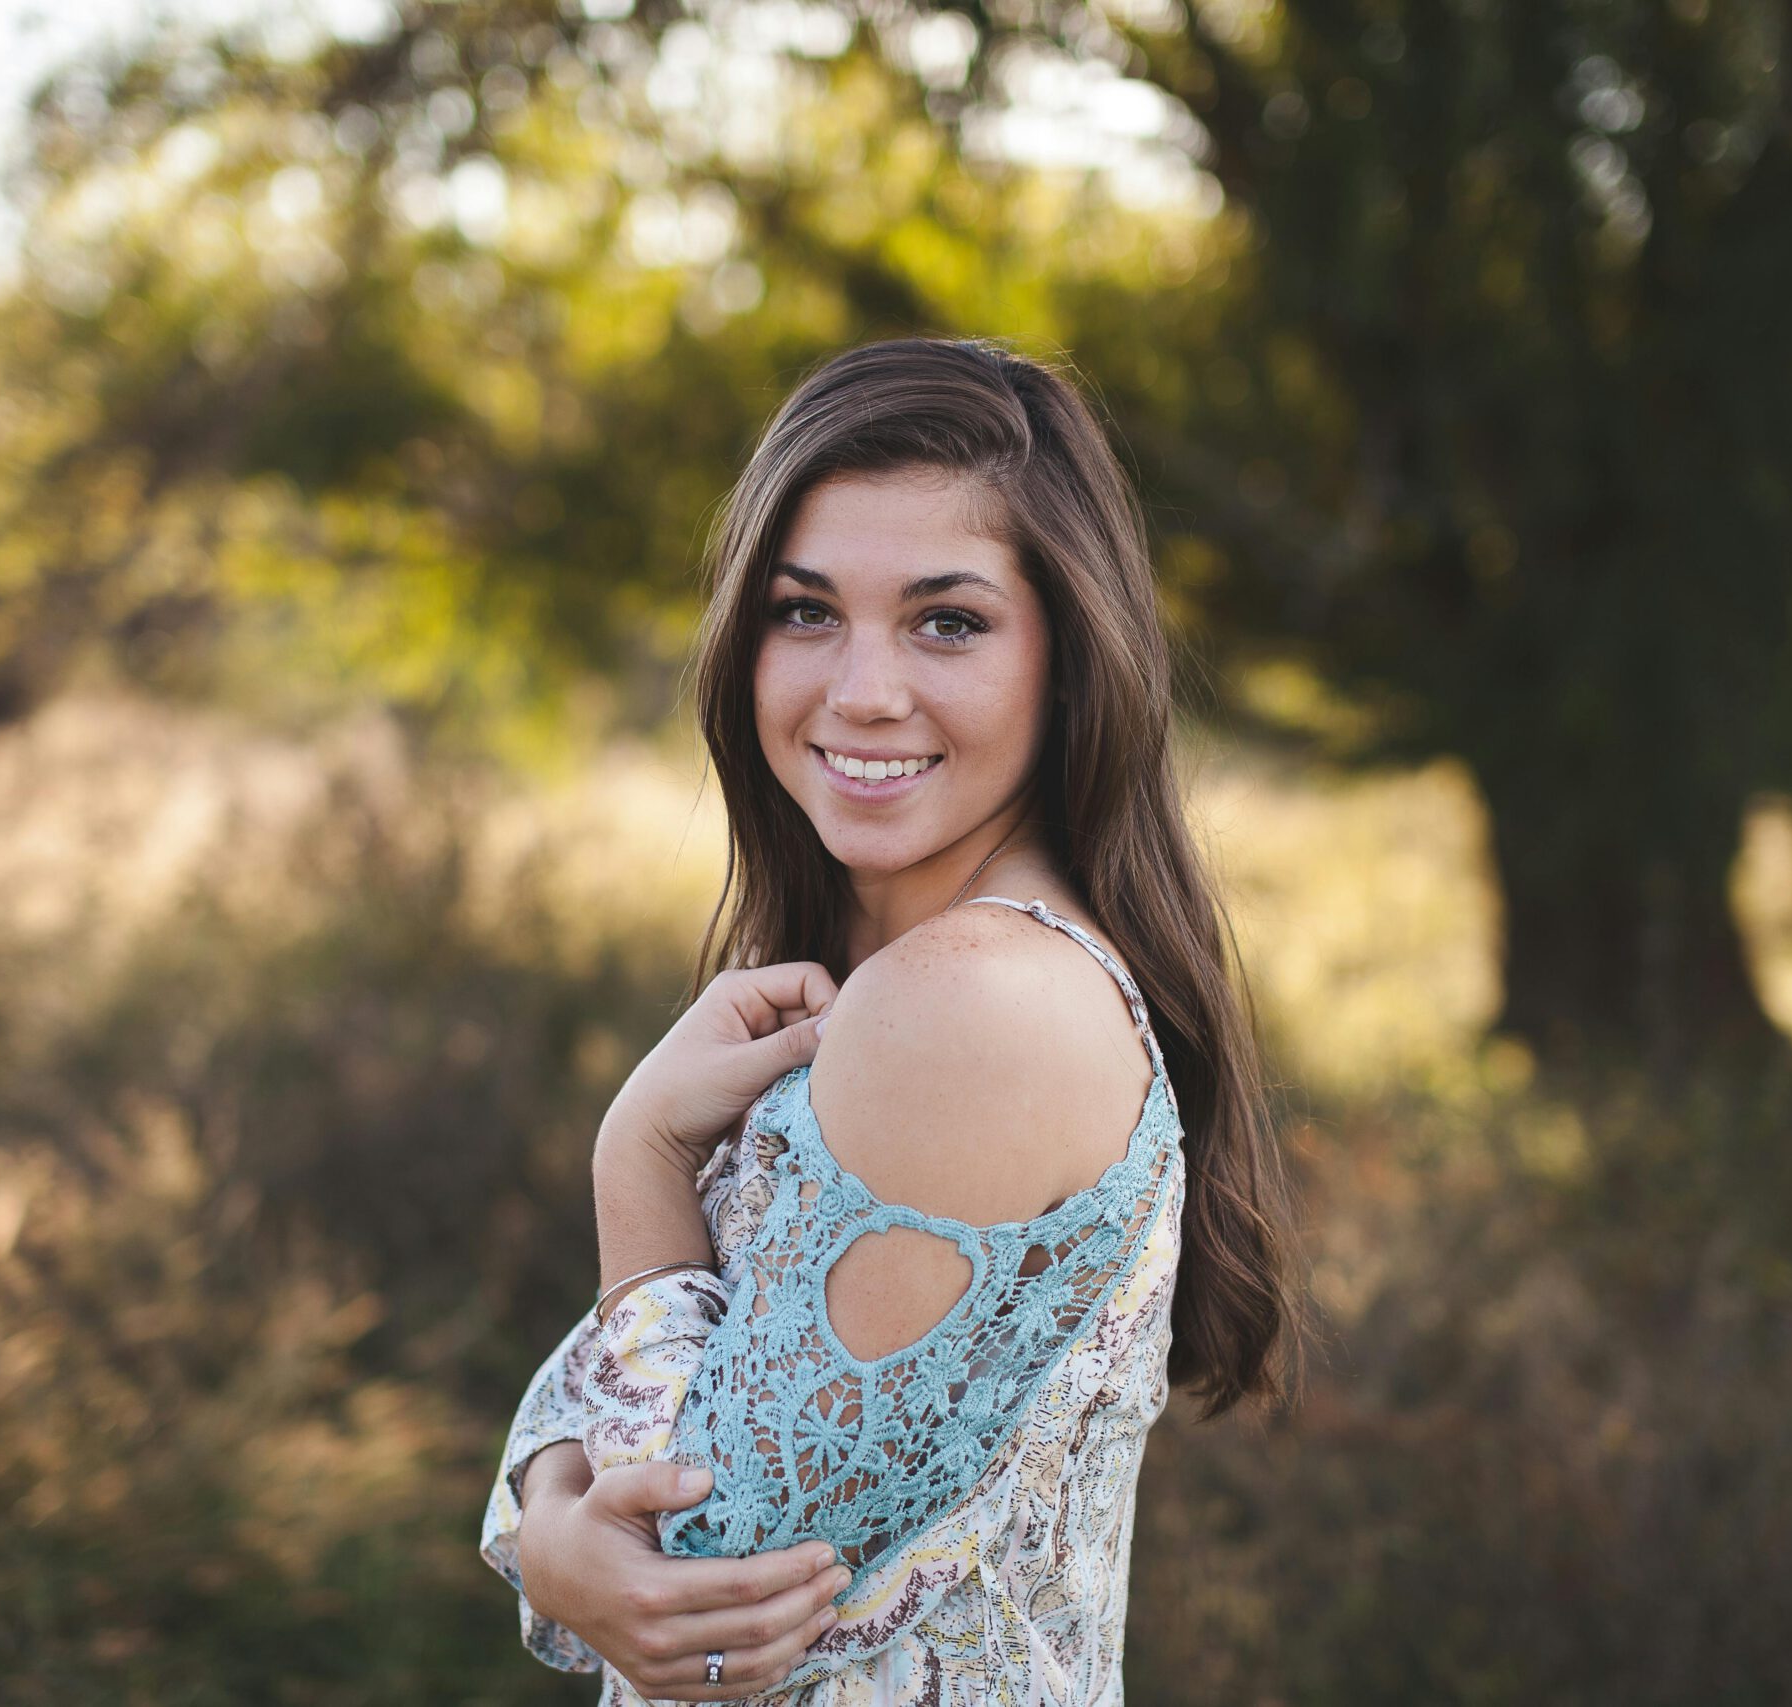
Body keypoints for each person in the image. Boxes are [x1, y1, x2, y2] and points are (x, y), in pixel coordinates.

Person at [479, 336, 1298, 1702]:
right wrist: (550, 1522)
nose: (861, 690)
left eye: (948, 621)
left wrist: (636, 1159)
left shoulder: (976, 1004)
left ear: (1071, 655)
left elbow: (700, 1574)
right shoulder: (878, 964)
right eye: (805, 612)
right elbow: (656, 1491)